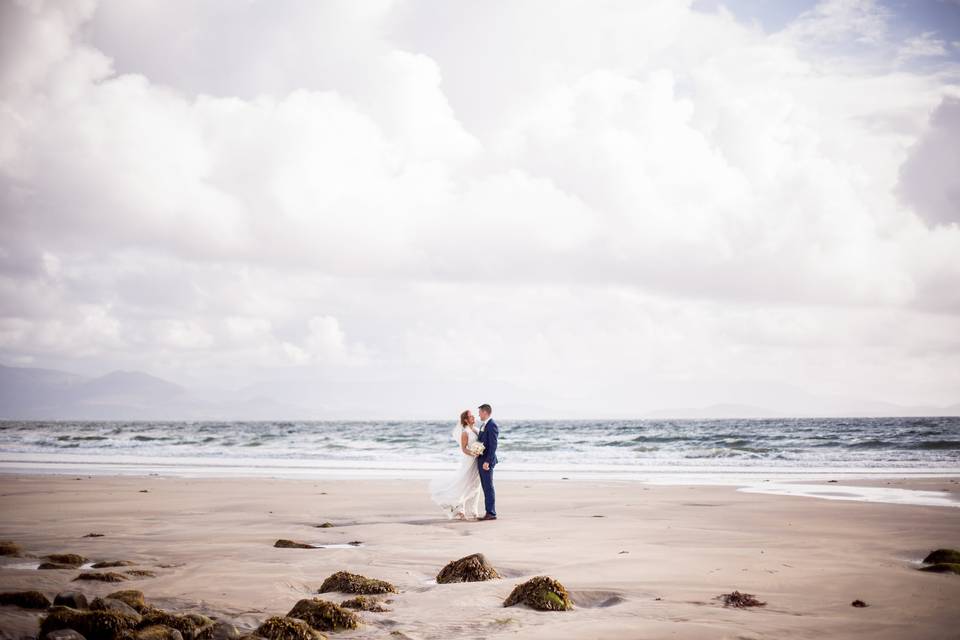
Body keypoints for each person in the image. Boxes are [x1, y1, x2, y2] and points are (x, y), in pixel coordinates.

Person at [428, 409, 483, 520]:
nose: (473, 417)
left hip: (477, 462)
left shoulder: (477, 430)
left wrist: (479, 451)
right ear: (466, 420)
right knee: (464, 484)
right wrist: (473, 453)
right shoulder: (465, 432)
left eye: (473, 415)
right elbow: (463, 449)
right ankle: (461, 511)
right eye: (471, 416)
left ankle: (474, 511)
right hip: (469, 461)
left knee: (477, 486)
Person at [476, 403, 498, 520]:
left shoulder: (492, 425)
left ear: (485, 412)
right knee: (485, 487)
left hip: (486, 462)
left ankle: (491, 513)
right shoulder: (483, 425)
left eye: (479, 412)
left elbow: (493, 446)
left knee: (488, 487)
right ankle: (488, 512)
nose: (478, 414)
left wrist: (487, 461)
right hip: (481, 459)